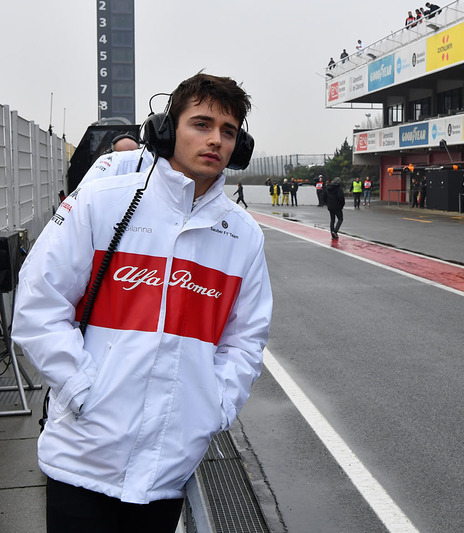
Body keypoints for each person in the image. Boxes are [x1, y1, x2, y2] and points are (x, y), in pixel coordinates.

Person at [12, 72, 272, 532]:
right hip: (80, 459)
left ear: (240, 146)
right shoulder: (102, 201)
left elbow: (246, 342)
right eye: (202, 124)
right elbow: (38, 304)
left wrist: (211, 409)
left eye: (228, 132)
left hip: (166, 472)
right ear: (166, 130)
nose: (215, 140)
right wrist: (81, 391)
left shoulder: (244, 235)